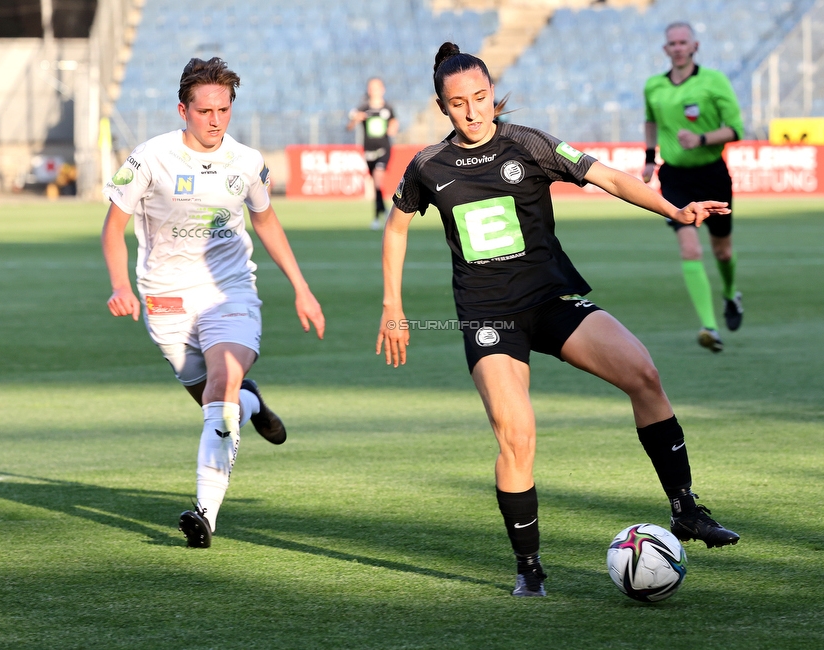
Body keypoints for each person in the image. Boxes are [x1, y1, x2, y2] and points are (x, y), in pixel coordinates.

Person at [377, 43, 739, 598]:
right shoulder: (429, 165)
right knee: (516, 433)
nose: (473, 112)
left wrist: (675, 209)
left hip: (550, 301)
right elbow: (397, 227)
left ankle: (685, 510)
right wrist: (393, 308)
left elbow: (611, 178)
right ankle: (529, 567)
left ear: (493, 94)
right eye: (458, 104)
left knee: (643, 373)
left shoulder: (530, 143)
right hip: (488, 317)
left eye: (480, 98)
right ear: (441, 107)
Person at [101, 57, 325, 548]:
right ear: (183, 109)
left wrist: (301, 287)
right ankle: (251, 402)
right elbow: (112, 228)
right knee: (214, 401)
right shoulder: (149, 159)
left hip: (229, 291)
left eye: (223, 110)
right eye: (205, 111)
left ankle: (205, 515)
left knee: (220, 387)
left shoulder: (245, 162)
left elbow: (266, 221)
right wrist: (120, 285)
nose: (216, 120)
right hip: (165, 299)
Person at [642, 21, 744, 353]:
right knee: (690, 249)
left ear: (694, 46)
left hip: (712, 174)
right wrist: (648, 158)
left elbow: (736, 129)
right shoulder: (654, 86)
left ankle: (731, 294)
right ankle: (709, 327)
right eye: (672, 43)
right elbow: (650, 121)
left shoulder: (714, 81)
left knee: (722, 251)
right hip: (674, 178)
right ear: (665, 49)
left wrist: (700, 138)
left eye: (683, 42)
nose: (678, 47)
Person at [347, 77, 399, 229]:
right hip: (368, 150)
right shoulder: (363, 108)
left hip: (384, 148)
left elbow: (394, 123)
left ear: (382, 89)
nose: (374, 90)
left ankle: (377, 217)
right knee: (376, 185)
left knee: (378, 179)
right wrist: (356, 119)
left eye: (376, 87)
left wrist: (393, 127)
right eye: (371, 87)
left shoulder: (387, 108)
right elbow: (349, 125)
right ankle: (382, 210)